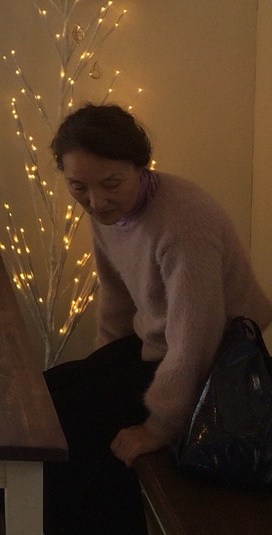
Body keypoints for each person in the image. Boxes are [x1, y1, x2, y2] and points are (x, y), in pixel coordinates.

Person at [43, 103, 272, 535]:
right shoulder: (107, 212)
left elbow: (196, 339)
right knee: (45, 394)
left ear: (140, 167)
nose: (95, 201)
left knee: (75, 421)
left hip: (219, 363)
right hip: (159, 345)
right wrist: (100, 364)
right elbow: (116, 300)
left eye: (111, 184)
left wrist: (159, 428)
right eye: (78, 186)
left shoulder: (183, 222)